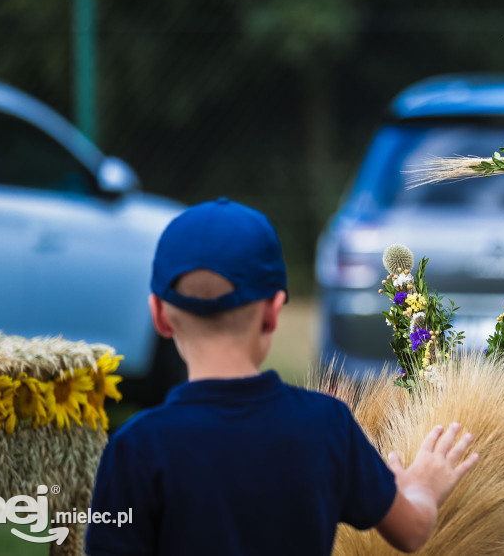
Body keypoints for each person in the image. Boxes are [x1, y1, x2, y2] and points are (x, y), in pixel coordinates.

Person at [85, 198, 478, 555]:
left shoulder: (134, 449)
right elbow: (411, 532)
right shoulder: (326, 426)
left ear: (159, 315)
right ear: (274, 311)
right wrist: (420, 488)